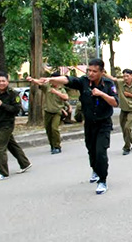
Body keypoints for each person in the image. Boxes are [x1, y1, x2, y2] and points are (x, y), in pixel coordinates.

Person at [42, 58, 118, 195]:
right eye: (89, 70)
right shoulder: (83, 82)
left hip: (103, 124)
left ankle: (102, 180)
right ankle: (95, 169)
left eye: (95, 71)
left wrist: (101, 94)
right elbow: (68, 79)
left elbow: (115, 102)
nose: (91, 73)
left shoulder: (108, 84)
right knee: (91, 150)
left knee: (101, 152)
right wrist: (50, 80)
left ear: (101, 72)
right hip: (89, 124)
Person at [27, 72, 69, 154]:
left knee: (54, 128)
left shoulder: (62, 89)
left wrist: (56, 92)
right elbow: (39, 82)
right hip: (47, 111)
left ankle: (57, 146)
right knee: (48, 129)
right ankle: (52, 145)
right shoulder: (47, 87)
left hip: (57, 112)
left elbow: (66, 97)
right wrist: (31, 80)